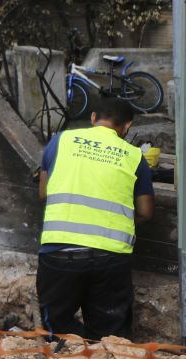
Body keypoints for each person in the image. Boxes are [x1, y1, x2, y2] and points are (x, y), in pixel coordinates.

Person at [36, 97, 155, 341]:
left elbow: (44, 192)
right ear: (127, 126)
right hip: (110, 257)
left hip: (59, 251)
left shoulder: (61, 141)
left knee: (57, 330)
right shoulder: (134, 157)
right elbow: (145, 211)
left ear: (92, 118)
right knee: (110, 336)